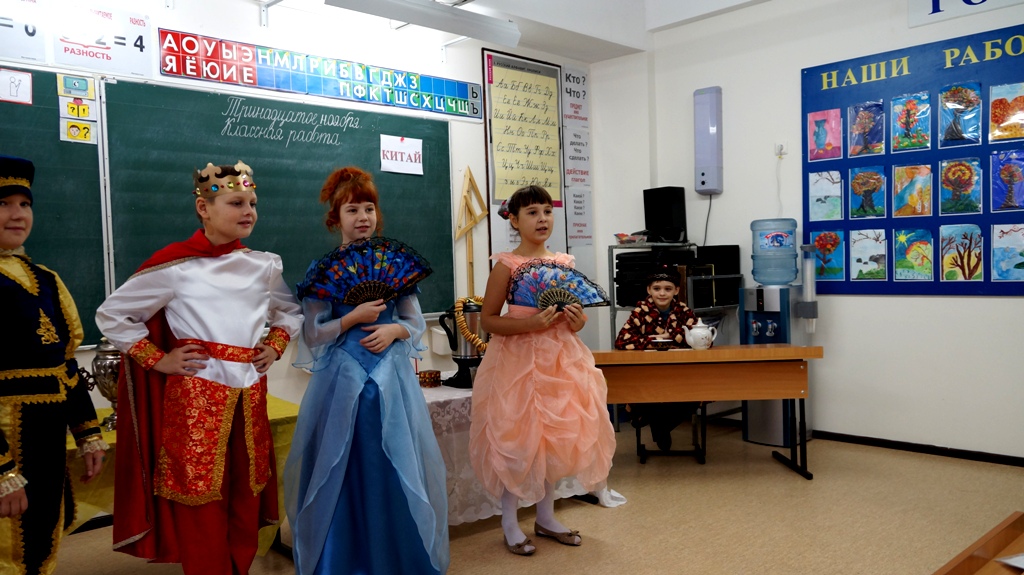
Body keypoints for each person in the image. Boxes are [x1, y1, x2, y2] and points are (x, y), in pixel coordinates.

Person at [95, 160, 302, 574]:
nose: (248, 211)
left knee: (245, 494)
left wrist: (275, 345)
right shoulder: (175, 267)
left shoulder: (264, 265)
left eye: (253, 203)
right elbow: (112, 314)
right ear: (204, 208)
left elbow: (289, 311)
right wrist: (159, 359)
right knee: (200, 498)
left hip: (249, 395)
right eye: (236, 203)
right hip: (195, 397)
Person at [284, 167, 449, 575]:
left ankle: (399, 558)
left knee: (395, 463)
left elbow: (413, 322)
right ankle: (343, 560)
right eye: (352, 209)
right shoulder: (323, 271)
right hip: (342, 384)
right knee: (342, 466)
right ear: (335, 218)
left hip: (391, 381)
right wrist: (350, 318)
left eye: (369, 208)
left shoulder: (394, 265)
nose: (362, 217)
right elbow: (313, 334)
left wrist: (394, 329)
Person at [469, 185, 616, 556]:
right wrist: (529, 324)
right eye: (532, 212)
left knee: (552, 439)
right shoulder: (506, 266)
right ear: (514, 221)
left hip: (560, 360)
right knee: (517, 441)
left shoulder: (563, 264)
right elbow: (488, 321)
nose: (542, 219)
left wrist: (577, 320)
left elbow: (574, 323)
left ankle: (546, 517)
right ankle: (509, 521)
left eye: (547, 211)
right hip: (516, 362)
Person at [0, 154, 107, 575]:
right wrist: (2, 470)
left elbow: (65, 366)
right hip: (6, 443)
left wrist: (87, 432)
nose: (17, 214)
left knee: (40, 543)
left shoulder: (46, 279)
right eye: (4, 203)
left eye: (25, 204)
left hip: (45, 444)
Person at [614, 265, 701, 451]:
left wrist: (666, 337)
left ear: (676, 291)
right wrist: (657, 341)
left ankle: (658, 425)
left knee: (698, 392)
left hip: (680, 373)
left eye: (668, 289)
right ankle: (656, 423)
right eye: (657, 288)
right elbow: (622, 341)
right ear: (649, 290)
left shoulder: (684, 311)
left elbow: (701, 339)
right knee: (649, 393)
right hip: (648, 373)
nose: (662, 293)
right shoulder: (640, 312)